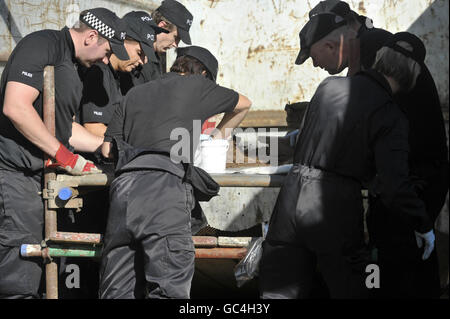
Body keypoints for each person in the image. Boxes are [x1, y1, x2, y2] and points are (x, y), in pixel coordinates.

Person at [259, 25, 435, 298]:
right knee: (354, 289)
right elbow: (394, 185)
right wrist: (422, 224)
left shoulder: (329, 87)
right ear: (413, 74)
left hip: (290, 197)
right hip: (333, 206)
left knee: (280, 290)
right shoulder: (391, 116)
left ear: (380, 60)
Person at [299, 1, 449, 298]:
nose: (315, 64)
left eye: (312, 53)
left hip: (411, 179)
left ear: (333, 38)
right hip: (408, 177)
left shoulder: (375, 50)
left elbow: (369, 124)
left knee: (400, 265)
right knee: (404, 263)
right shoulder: (371, 48)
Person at [98, 46, 252, 299]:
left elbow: (107, 150)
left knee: (117, 290)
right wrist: (215, 138)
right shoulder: (197, 85)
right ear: (203, 72)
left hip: (122, 191)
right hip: (164, 189)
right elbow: (244, 104)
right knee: (169, 287)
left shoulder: (133, 93)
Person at [0, 8, 128, 299]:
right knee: (18, 274)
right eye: (107, 52)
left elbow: (62, 127)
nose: (106, 60)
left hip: (38, 179)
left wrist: (101, 146)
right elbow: (16, 107)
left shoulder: (71, 65)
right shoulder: (42, 44)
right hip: (14, 175)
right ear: (91, 36)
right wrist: (66, 158)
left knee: (41, 267)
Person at [123, 0, 194, 93]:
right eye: (176, 37)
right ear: (162, 26)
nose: (176, 45)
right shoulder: (132, 50)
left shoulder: (160, 53)